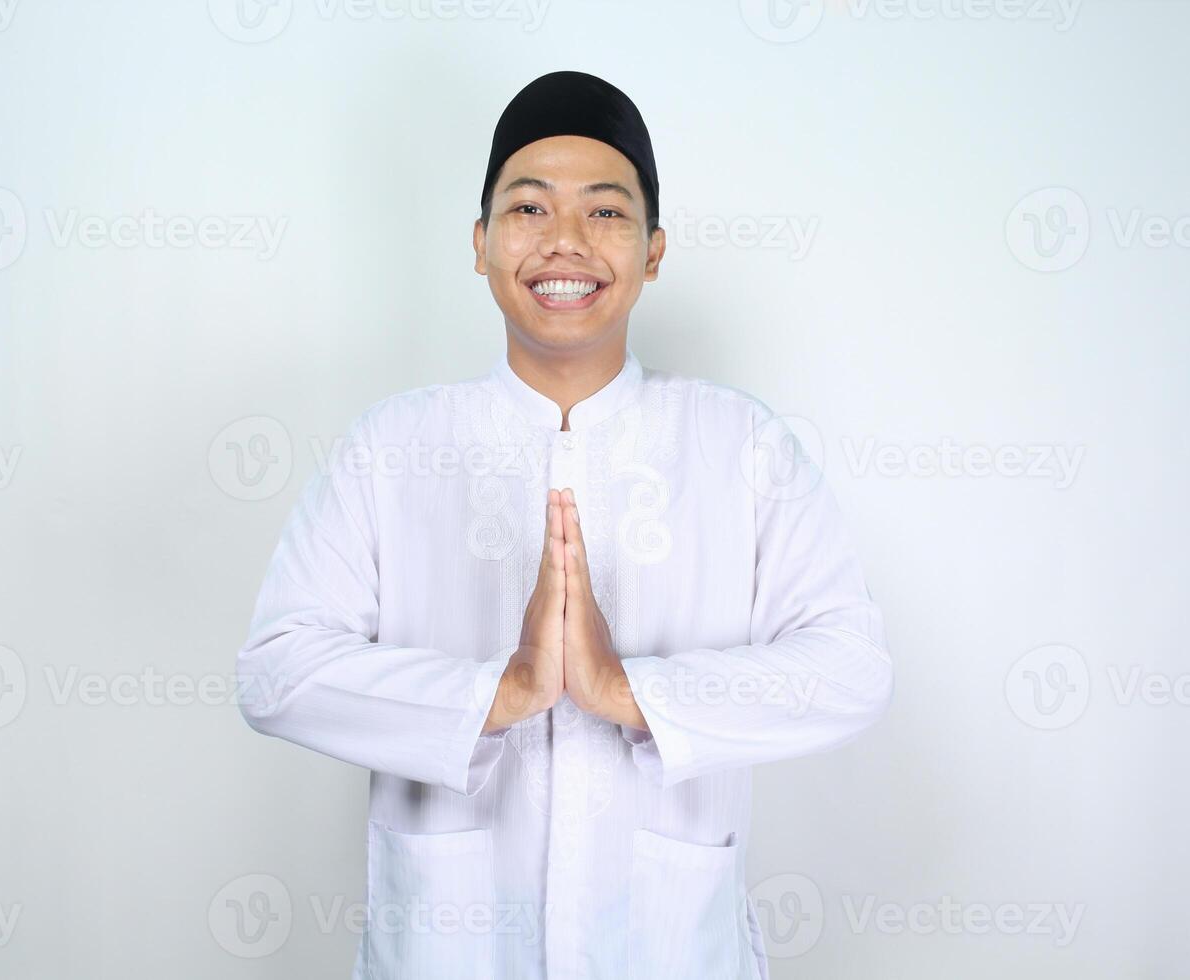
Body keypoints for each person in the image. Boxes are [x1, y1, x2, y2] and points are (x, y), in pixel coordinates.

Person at [235, 69, 894, 980]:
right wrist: (494, 697)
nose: (566, 243)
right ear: (480, 241)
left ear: (655, 249)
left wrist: (632, 694)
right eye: (529, 208)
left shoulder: (739, 444)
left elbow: (852, 670)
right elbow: (277, 671)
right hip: (448, 948)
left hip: (668, 948)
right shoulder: (392, 446)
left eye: (607, 212)